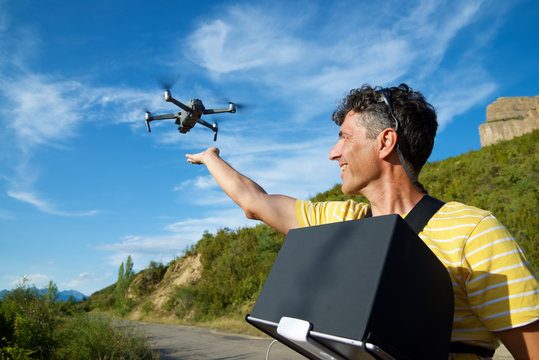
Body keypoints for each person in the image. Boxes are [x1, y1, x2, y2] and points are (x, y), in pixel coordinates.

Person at [186, 84, 539, 359]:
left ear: (385, 142)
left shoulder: (475, 233)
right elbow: (255, 203)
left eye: (344, 137)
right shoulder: (342, 220)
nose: (333, 152)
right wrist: (211, 158)